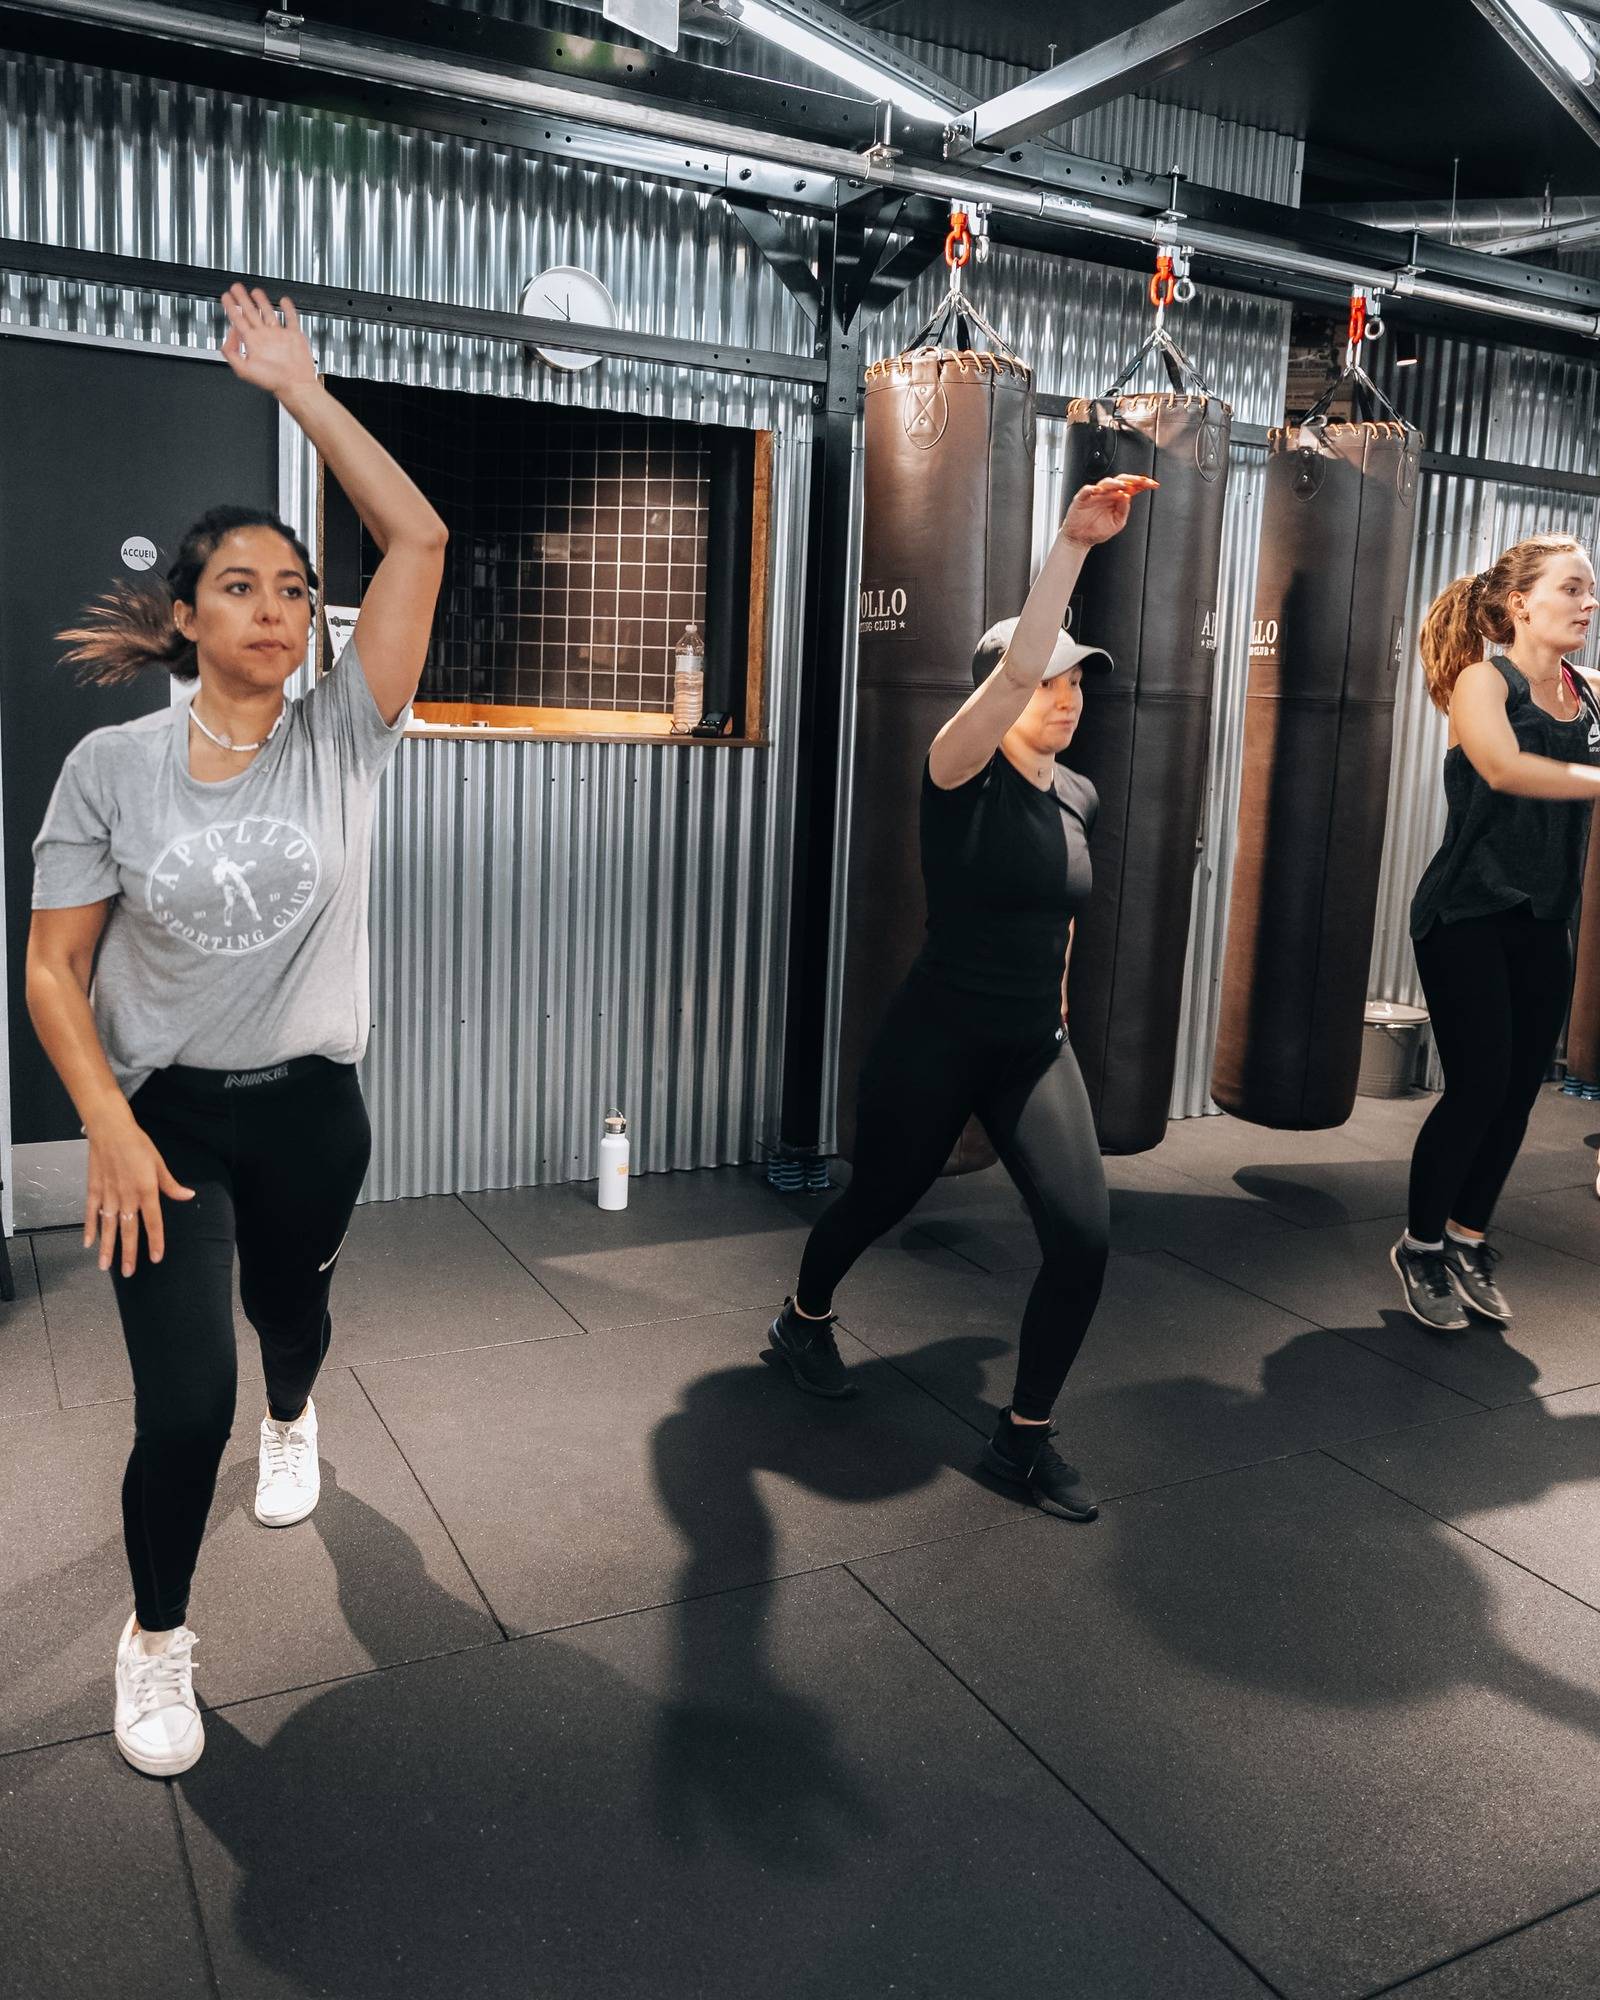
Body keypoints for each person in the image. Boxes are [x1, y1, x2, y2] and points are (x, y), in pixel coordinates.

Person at [26, 285, 447, 1777]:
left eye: (294, 589)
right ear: (187, 617)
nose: (278, 609)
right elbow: (54, 969)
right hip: (169, 1121)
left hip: (314, 1109)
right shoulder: (111, 768)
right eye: (243, 587)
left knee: (290, 1320)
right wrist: (109, 1125)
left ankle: (297, 1410)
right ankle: (157, 1640)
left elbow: (419, 540)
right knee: (181, 1403)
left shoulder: (345, 734)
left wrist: (303, 393)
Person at [767, 473, 1157, 1523]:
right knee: (879, 1199)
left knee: (1082, 1239)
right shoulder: (956, 768)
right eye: (1048, 682)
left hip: (1031, 1045)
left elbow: (1060, 923)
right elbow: (1017, 665)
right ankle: (803, 1318)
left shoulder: (1075, 793)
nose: (1065, 698)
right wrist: (1073, 546)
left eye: (1077, 685)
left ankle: (1022, 1439)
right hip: (936, 1035)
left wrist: (1058, 1014)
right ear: (998, 690)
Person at [1393, 534, 1600, 1330]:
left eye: (1590, 590)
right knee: (1479, 1086)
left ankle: (1466, 1238)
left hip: (1544, 918)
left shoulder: (1587, 693)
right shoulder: (1484, 682)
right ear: (1520, 603)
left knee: (1518, 1093)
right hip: (1466, 914)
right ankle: (1419, 1248)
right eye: (1572, 588)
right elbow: (1505, 768)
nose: (1589, 603)